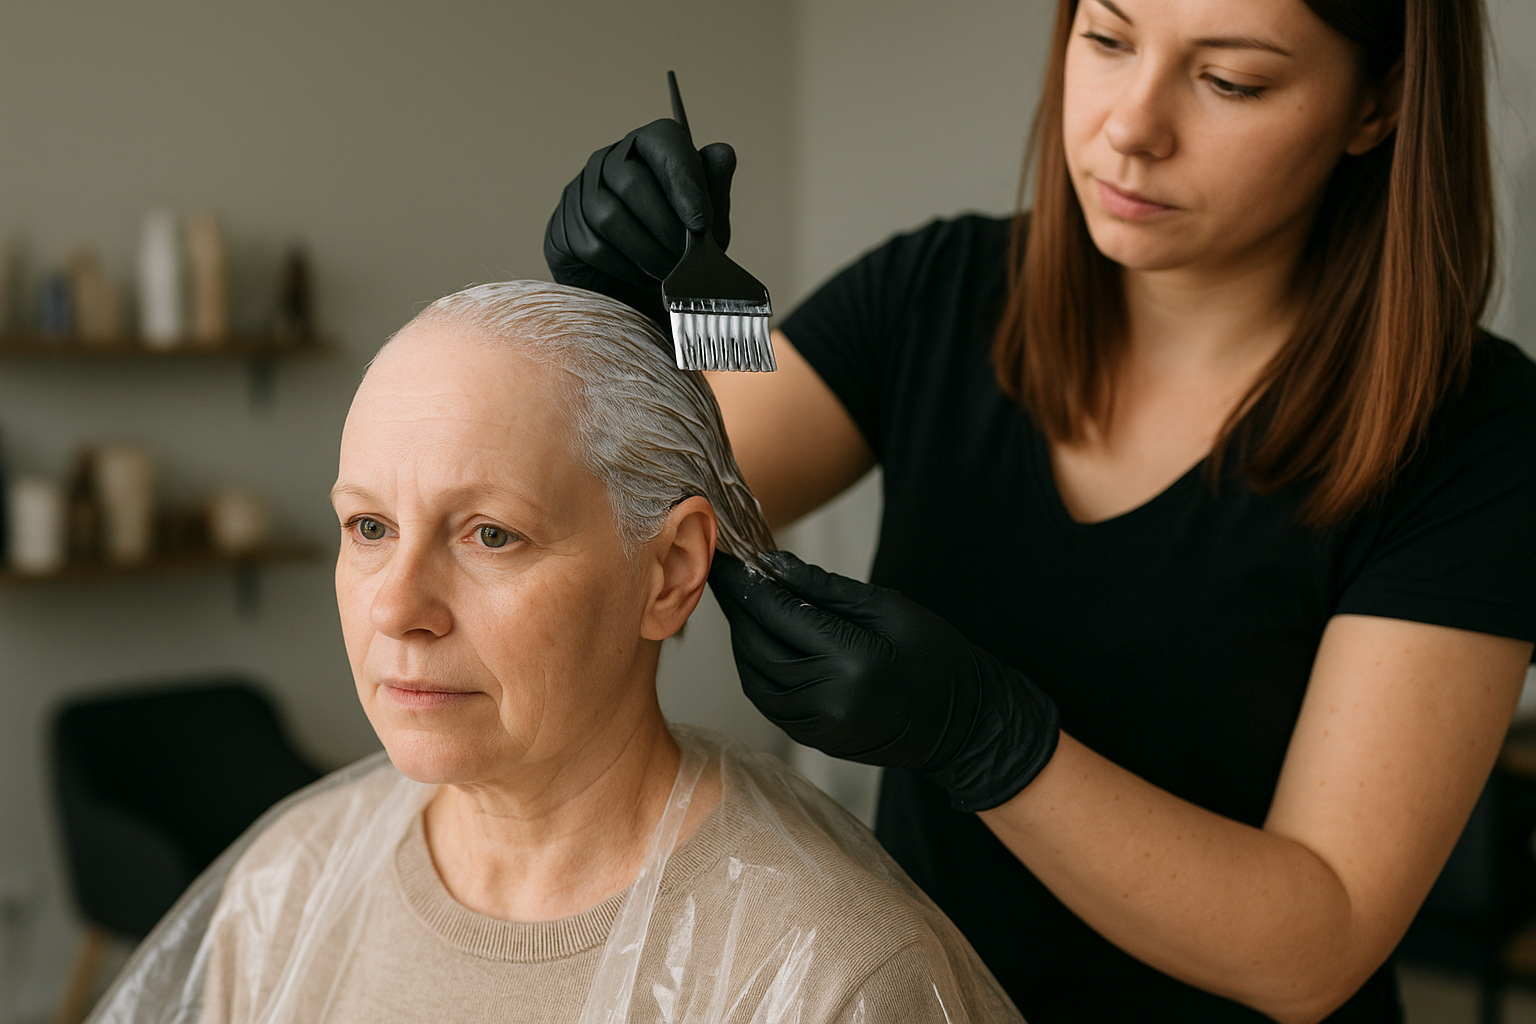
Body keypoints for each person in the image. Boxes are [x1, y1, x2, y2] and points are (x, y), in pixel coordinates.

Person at [543, 0, 1536, 1021]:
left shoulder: (1479, 435)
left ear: (1378, 102)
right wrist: (621, 324)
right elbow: (655, 502)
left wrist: (991, 741)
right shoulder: (937, 289)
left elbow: (1316, 949)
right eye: (1107, 39)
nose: (1131, 126)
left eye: (1230, 80)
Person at [86, 282, 1021, 1024]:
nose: (397, 608)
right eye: (368, 526)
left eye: (491, 535)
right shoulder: (285, 889)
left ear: (670, 573)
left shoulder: (828, 978)